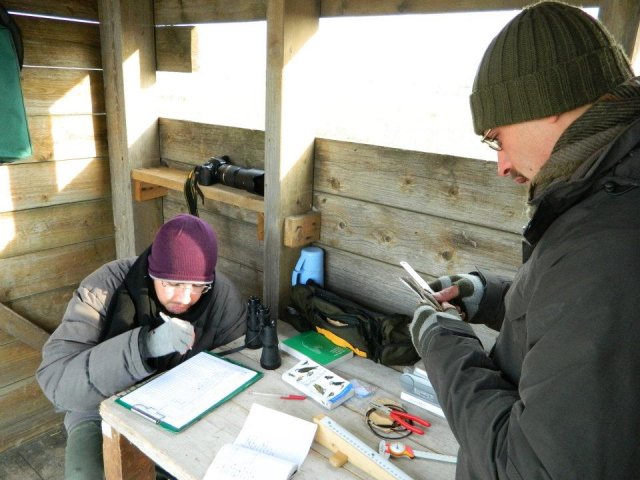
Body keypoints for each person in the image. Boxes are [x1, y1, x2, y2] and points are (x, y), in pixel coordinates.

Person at [409, 2, 640, 478]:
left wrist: (444, 346)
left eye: (496, 138)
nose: (502, 165)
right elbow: (573, 317)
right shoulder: (603, 195)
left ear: (547, 102)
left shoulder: (610, 244)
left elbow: (528, 468)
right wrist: (491, 297)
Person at [37, 214, 247, 480]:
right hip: (99, 407)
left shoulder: (219, 292)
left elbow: (239, 360)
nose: (185, 297)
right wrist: (144, 345)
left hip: (181, 403)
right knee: (84, 474)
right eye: (172, 284)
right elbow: (57, 384)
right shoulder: (104, 288)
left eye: (197, 286)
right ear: (152, 272)